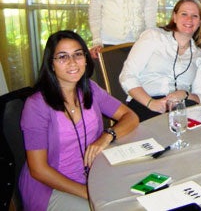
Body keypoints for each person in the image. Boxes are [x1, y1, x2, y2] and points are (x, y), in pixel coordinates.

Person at [19, 30, 139, 211]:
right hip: (52, 187)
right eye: (62, 57)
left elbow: (130, 116)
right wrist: (88, 192)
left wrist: (107, 136)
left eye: (77, 54)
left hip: (95, 174)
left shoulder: (90, 88)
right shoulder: (36, 105)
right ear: (51, 64)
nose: (72, 62)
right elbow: (38, 169)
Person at [120, 0, 201, 121]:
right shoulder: (153, 36)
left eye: (195, 16)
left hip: (182, 107)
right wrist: (151, 103)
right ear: (174, 17)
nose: (189, 19)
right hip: (145, 103)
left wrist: (185, 94)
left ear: (200, 22)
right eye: (184, 14)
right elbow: (127, 76)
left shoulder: (199, 55)